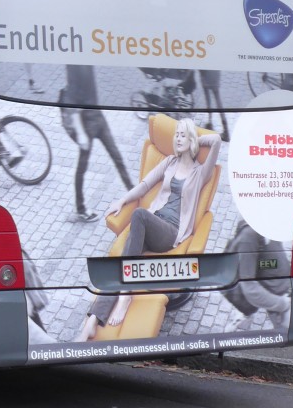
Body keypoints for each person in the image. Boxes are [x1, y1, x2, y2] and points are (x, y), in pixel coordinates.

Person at [78, 117, 221, 339]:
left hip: (170, 232)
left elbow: (217, 140)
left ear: (191, 140)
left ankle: (126, 295)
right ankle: (94, 319)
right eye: (176, 134)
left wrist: (195, 138)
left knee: (139, 215)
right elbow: (145, 185)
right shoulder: (170, 162)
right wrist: (122, 200)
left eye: (183, 135)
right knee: (121, 264)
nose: (178, 138)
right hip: (151, 224)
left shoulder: (200, 173)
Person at [61, 64, 134, 222]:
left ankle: (133, 193)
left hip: (98, 118)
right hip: (87, 124)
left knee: (117, 156)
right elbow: (72, 100)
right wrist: (81, 133)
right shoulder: (75, 66)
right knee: (82, 167)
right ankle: (81, 209)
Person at [199, 70, 230, 141]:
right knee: (217, 99)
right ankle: (226, 130)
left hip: (205, 73)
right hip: (215, 73)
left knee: (207, 98)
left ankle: (209, 122)